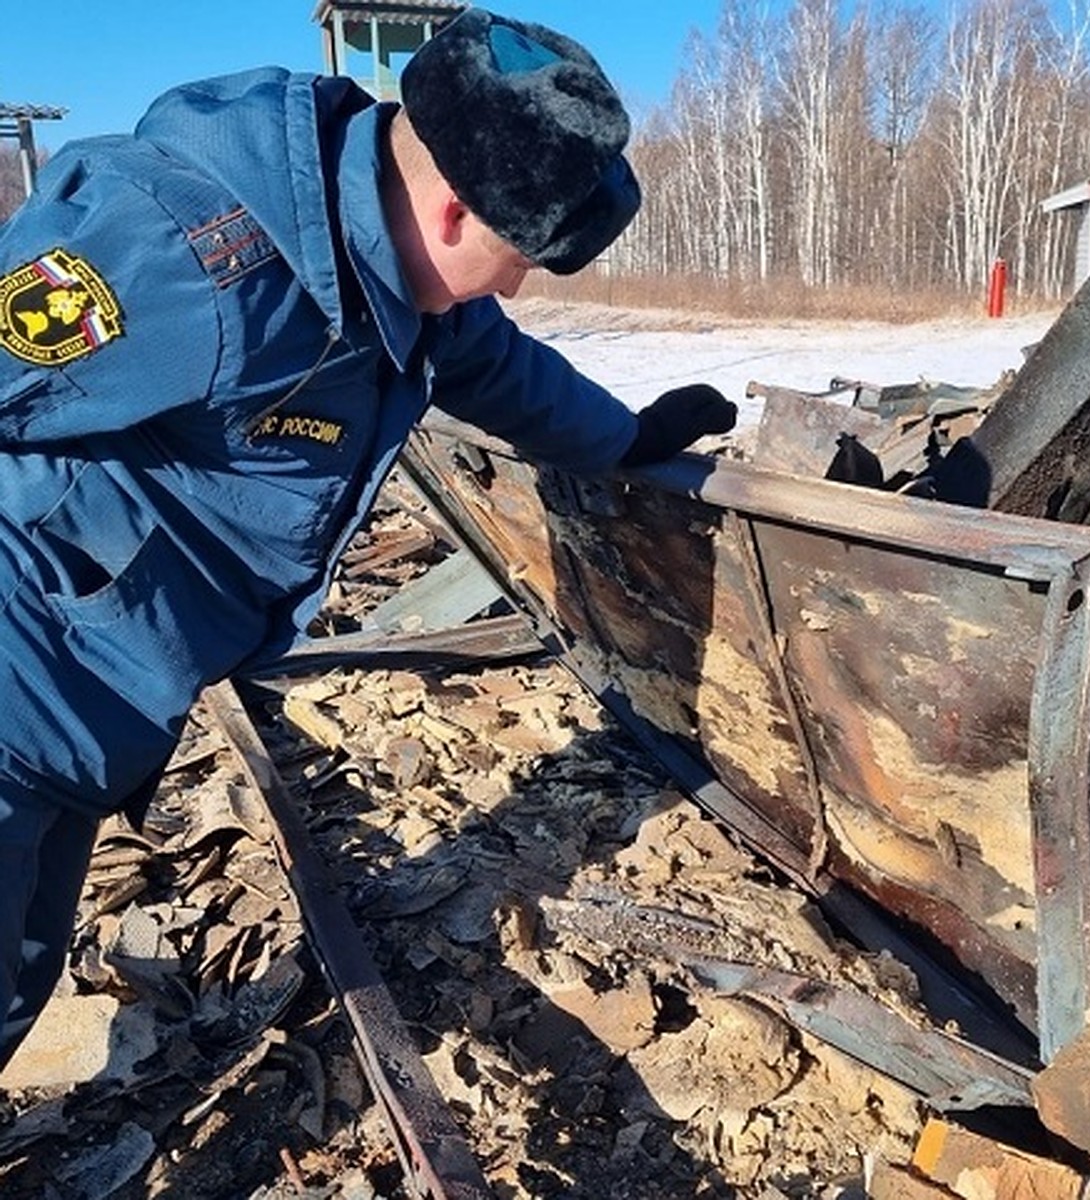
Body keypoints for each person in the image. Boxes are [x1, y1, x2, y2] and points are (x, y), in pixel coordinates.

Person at [0, 7, 736, 1069]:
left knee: (18, 980)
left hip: (99, 700)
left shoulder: (388, 272)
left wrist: (628, 438)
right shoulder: (180, 257)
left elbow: (501, 372)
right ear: (448, 213)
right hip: (25, 681)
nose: (520, 282)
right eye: (520, 256)